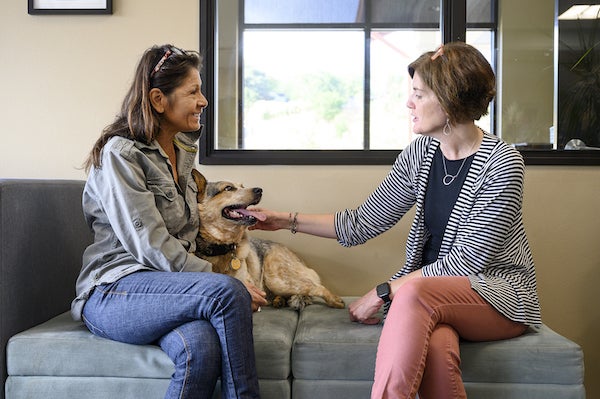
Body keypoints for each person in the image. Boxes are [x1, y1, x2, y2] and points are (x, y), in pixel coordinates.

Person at [249, 42, 541, 399]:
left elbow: (468, 262)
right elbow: (361, 223)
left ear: (449, 100)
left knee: (415, 293)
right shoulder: (420, 153)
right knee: (436, 348)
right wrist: (283, 220)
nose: (409, 103)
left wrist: (386, 290)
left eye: (418, 94)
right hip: (431, 298)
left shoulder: (502, 163)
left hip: (497, 297)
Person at [72, 44, 267, 399]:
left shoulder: (182, 158)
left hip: (166, 292)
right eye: (193, 92)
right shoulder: (122, 155)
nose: (203, 101)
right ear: (158, 100)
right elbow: (150, 243)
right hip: (114, 292)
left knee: (201, 347)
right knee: (226, 292)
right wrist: (224, 284)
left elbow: (192, 235)